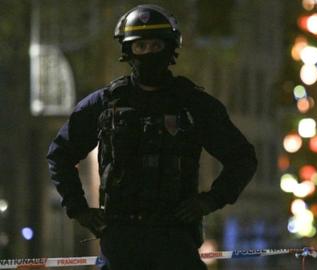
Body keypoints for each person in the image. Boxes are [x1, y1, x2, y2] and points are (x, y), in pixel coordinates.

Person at [46, 4, 257, 270]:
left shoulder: (193, 104)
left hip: (176, 239)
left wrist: (210, 200)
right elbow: (60, 154)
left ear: (170, 49)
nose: (148, 53)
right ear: (128, 51)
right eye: (140, 46)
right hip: (121, 241)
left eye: (155, 46)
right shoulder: (104, 105)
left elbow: (243, 158)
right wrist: (79, 210)